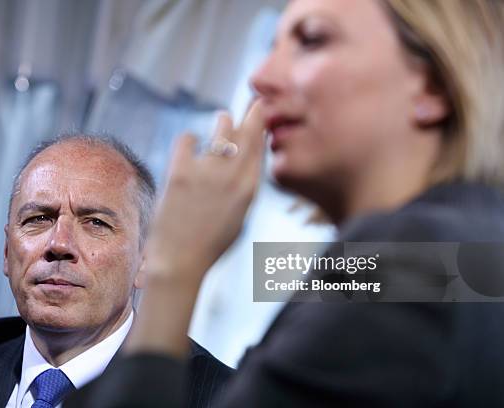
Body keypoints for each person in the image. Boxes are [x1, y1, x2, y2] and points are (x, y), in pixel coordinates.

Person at [71, 0, 504, 406]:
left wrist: (173, 270)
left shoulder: (409, 258)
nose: (260, 78)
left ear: (432, 84)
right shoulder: (462, 253)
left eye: (312, 39)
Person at [0, 135, 232, 407]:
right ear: (8, 251)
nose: (59, 243)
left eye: (96, 223)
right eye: (38, 219)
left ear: (145, 259)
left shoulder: (220, 398)